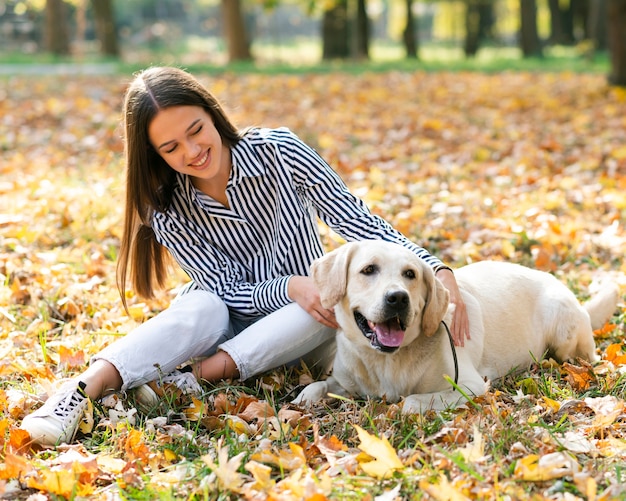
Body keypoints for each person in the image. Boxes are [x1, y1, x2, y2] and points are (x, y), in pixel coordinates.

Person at [21, 66, 469, 446]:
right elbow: (223, 286)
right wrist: (289, 284)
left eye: (195, 131)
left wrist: (437, 268)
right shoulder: (163, 204)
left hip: (296, 325)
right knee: (201, 304)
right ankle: (78, 392)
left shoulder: (280, 152)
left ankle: (193, 376)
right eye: (171, 148)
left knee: (322, 304)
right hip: (226, 313)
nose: (192, 152)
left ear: (213, 115)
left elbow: (360, 222)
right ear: (155, 155)